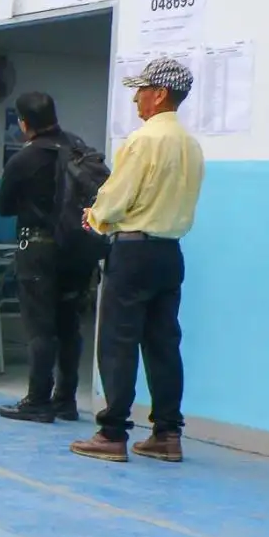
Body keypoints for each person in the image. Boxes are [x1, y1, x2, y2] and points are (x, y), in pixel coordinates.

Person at [71, 56, 206, 463]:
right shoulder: (191, 146)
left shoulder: (143, 140)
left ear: (159, 94)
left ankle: (112, 433)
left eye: (141, 91)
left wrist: (94, 216)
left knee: (118, 343)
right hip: (169, 253)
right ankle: (167, 433)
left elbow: (116, 198)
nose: (136, 99)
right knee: (164, 343)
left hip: (132, 253)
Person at [0, 90, 103, 423]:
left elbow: (3, 206)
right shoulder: (78, 148)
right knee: (70, 324)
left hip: (38, 250)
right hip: (77, 249)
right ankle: (65, 400)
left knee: (41, 328)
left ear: (24, 124)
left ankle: (37, 400)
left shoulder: (24, 159)